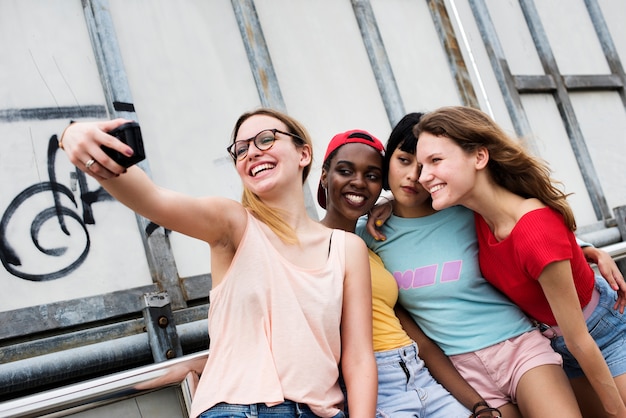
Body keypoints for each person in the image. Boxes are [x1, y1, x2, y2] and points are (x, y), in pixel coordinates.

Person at [58, 108, 377, 418]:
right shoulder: (233, 224)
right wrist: (73, 136)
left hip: (322, 411)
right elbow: (152, 199)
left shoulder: (347, 248)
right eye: (240, 149)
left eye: (266, 139)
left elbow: (359, 358)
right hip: (239, 408)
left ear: (303, 153)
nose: (251, 152)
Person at [358, 112, 583, 418]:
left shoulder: (465, 210)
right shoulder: (370, 234)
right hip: (459, 372)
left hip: (517, 346)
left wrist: (588, 249)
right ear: (388, 163)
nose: (414, 176)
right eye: (404, 160)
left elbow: (527, 228)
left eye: (426, 165)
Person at [414, 105, 626, 418]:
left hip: (597, 336)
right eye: (420, 165)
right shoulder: (477, 213)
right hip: (555, 346)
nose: (422, 177)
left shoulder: (534, 230)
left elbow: (580, 339)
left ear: (479, 157)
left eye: (435, 161)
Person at [317, 129, 492, 417]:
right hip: (372, 387)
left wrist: (478, 406)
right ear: (324, 175)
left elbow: (418, 340)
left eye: (372, 176)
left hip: (419, 375)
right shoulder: (307, 246)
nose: (359, 182)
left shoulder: (370, 247)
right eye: (345, 171)